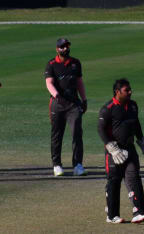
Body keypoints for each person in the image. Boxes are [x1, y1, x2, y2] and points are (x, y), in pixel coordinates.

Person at [98, 78, 144, 224]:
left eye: (130, 89)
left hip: (130, 149)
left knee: (134, 177)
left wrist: (142, 143)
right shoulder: (108, 109)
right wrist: (112, 148)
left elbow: (137, 124)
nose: (130, 92)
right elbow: (101, 129)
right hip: (114, 152)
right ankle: (112, 215)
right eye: (126, 90)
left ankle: (139, 212)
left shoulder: (133, 105)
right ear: (117, 92)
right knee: (114, 181)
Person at [44, 38, 87, 176]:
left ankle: (78, 165)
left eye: (67, 46)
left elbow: (79, 82)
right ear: (57, 49)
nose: (65, 49)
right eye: (62, 47)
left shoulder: (75, 63)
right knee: (57, 135)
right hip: (57, 104)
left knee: (77, 133)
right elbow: (49, 83)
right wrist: (57, 96)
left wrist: (84, 99)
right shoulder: (51, 64)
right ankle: (57, 165)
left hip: (73, 104)